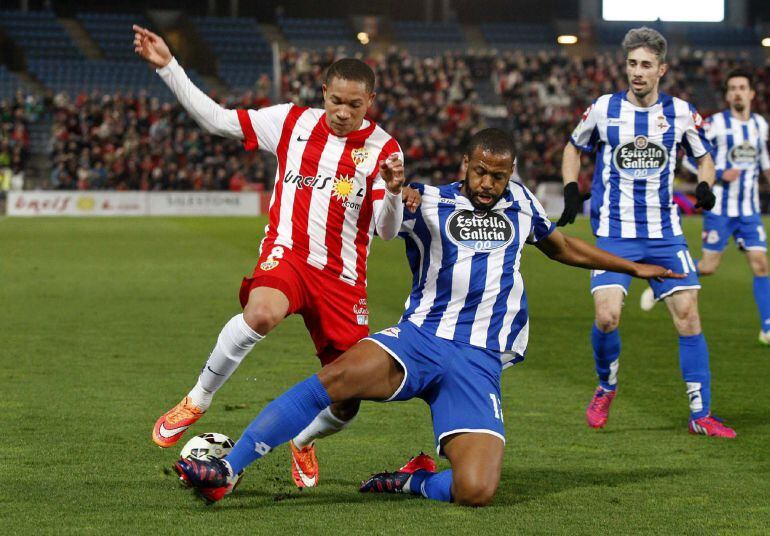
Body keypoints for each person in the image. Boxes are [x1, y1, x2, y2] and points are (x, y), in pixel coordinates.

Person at [173, 128, 682, 506]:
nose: (487, 184)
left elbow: (563, 246)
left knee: (476, 490)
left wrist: (634, 266)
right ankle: (228, 470)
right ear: (465, 164)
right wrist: (396, 192)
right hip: (418, 341)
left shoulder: (523, 204)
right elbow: (381, 222)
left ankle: (413, 478)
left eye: (498, 176)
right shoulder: (428, 200)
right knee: (335, 379)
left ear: (512, 175)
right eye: (480, 172)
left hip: (478, 360)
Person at [133, 25, 419, 488]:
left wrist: (393, 189)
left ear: (370, 101)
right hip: (288, 255)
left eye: (355, 105)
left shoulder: (384, 149)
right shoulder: (290, 121)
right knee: (261, 313)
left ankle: (303, 440)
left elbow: (386, 232)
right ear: (323, 92)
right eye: (336, 101)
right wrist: (168, 67)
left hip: (342, 280)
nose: (343, 113)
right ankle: (198, 398)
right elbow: (218, 120)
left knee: (347, 398)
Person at [557, 27, 735, 437]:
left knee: (689, 317)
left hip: (665, 237)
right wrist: (570, 188)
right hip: (615, 235)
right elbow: (572, 147)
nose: (637, 72)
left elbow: (704, 157)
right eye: (632, 64)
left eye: (646, 65)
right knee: (606, 318)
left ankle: (700, 415)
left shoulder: (681, 112)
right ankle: (607, 385)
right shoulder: (603, 108)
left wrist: (705, 185)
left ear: (662, 70)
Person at [640, 69, 770, 345]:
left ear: (751, 94)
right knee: (709, 266)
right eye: (732, 88)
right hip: (720, 208)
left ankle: (767, 327)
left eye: (742, 87)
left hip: (749, 209)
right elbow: (689, 159)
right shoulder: (715, 124)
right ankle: (663, 279)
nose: (737, 92)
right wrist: (720, 173)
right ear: (727, 94)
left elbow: (764, 162)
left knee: (761, 265)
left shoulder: (760, 124)